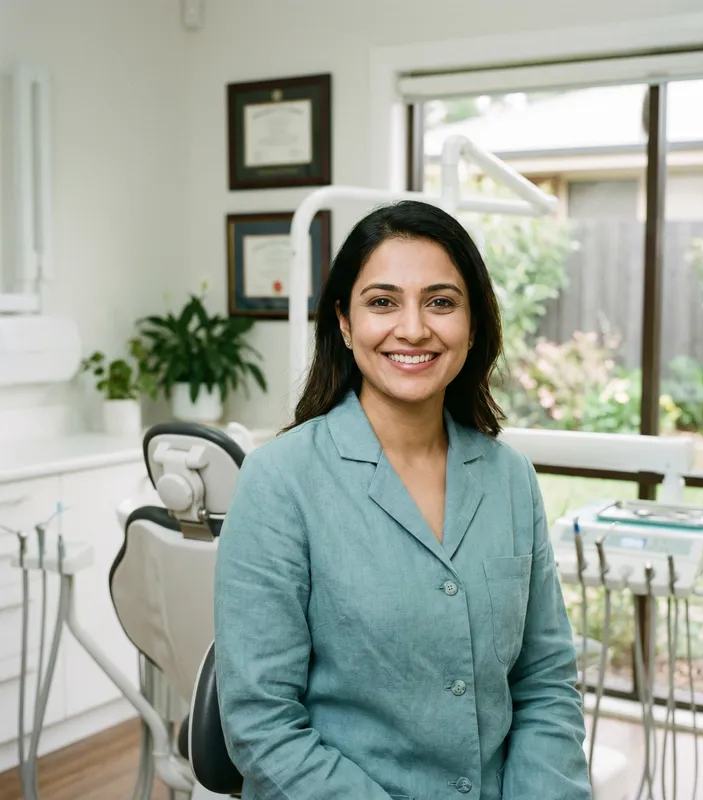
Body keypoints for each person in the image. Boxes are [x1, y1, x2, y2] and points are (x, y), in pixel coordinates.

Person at [214, 200, 592, 799]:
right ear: (344, 322)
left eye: (441, 302)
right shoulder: (280, 480)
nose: (413, 328)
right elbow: (262, 723)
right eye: (382, 302)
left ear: (473, 324)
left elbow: (544, 682)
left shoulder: (510, 478)